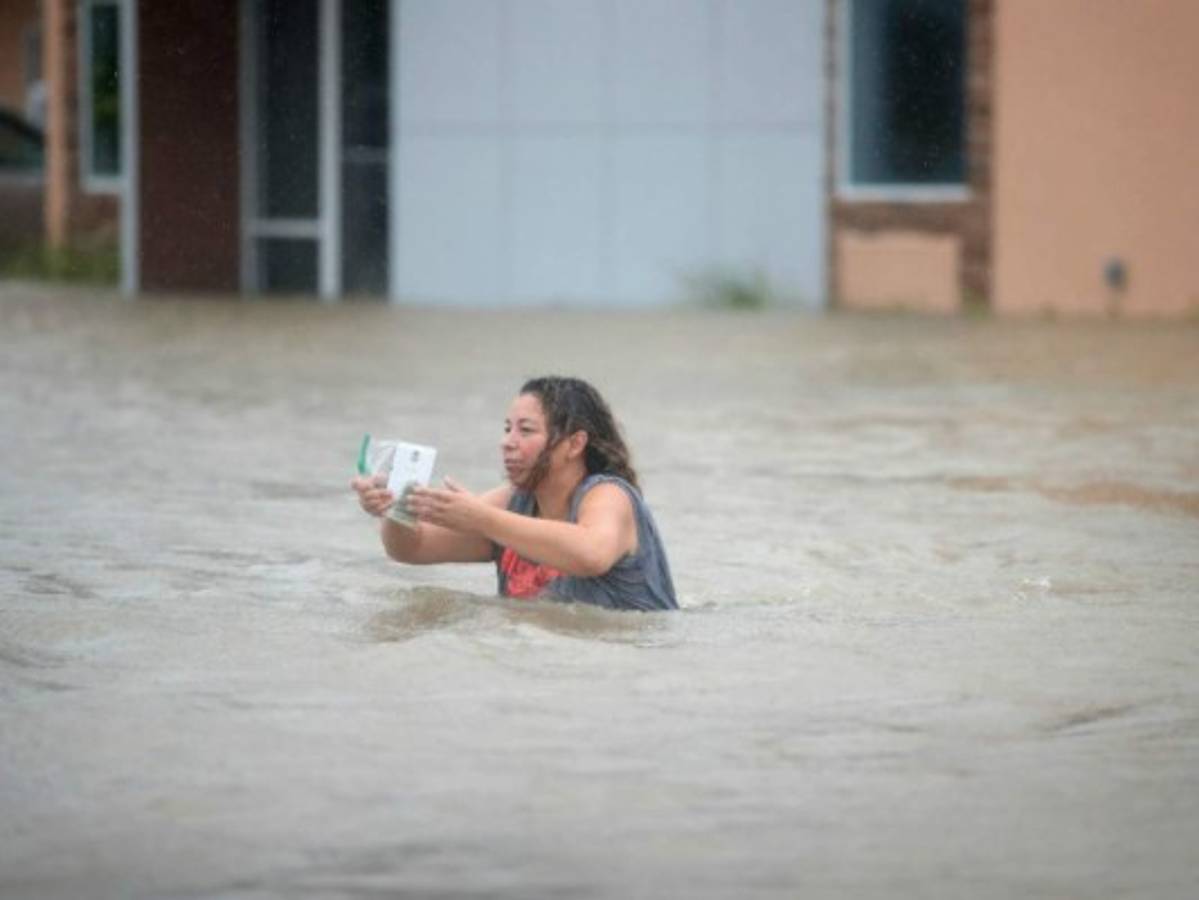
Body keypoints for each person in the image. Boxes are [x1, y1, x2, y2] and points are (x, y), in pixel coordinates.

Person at [351, 376, 678, 612]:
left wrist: (483, 519)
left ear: (575, 444)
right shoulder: (513, 503)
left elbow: (591, 554)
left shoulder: (608, 494)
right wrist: (397, 508)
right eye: (507, 429)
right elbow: (412, 548)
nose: (507, 442)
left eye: (526, 430)